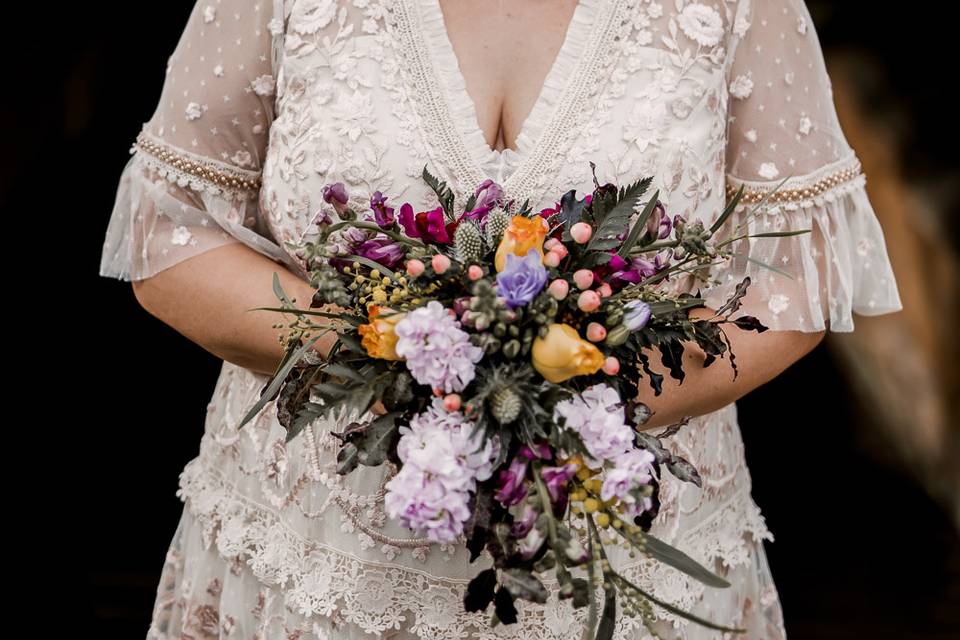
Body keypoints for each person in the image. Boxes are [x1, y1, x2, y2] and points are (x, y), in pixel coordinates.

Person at [97, 0, 903, 638]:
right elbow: (169, 234)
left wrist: (588, 413)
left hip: (628, 565)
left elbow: (805, 270)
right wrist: (388, 354)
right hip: (310, 568)